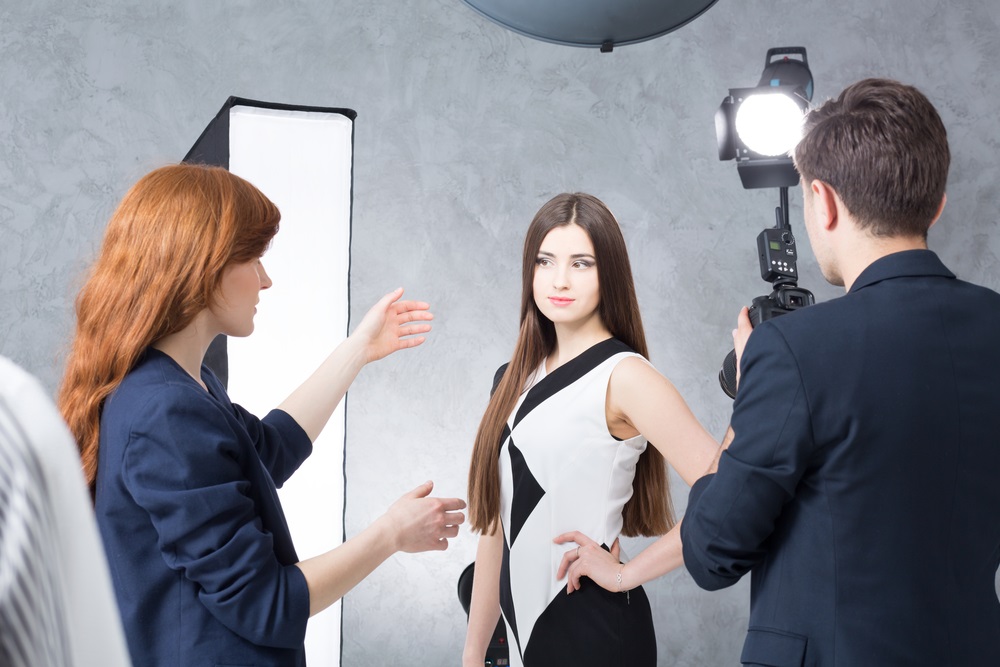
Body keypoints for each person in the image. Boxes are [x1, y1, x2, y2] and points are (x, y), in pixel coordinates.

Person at [57, 163, 467, 667]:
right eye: (252, 258)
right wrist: (390, 533)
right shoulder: (166, 411)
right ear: (201, 269)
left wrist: (359, 349)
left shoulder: (181, 385)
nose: (266, 280)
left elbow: (267, 451)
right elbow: (266, 604)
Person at [681, 78, 1000, 665]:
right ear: (937, 205)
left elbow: (710, 553)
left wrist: (750, 396)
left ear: (822, 201)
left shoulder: (794, 350)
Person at [462, 193, 719, 667]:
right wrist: (473, 655)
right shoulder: (510, 379)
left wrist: (627, 575)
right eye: (545, 261)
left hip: (594, 631)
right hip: (520, 639)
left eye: (581, 263)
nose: (559, 280)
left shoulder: (625, 376)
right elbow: (495, 529)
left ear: (609, 274)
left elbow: (728, 492)